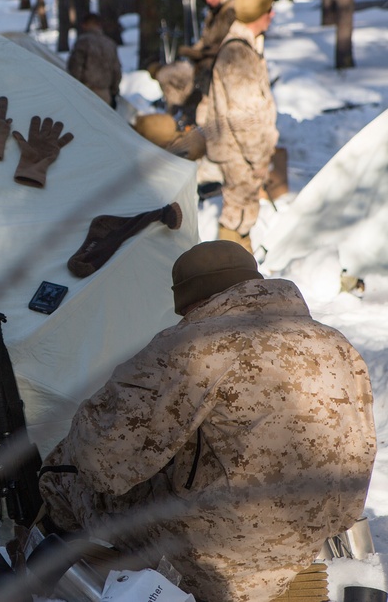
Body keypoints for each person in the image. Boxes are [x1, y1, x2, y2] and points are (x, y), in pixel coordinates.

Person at [37, 240, 376, 602]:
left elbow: (103, 463)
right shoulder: (338, 344)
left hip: (218, 566)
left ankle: (41, 568)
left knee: (64, 473)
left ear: (193, 301)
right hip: (305, 546)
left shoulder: (195, 344)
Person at [196, 0, 280, 251]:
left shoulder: (247, 44)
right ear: (260, 15)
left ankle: (240, 266)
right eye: (269, 11)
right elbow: (244, 116)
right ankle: (232, 274)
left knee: (243, 211)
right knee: (237, 213)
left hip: (241, 149)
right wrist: (258, 158)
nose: (273, 15)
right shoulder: (237, 53)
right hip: (239, 152)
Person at [67, 13, 122, 108]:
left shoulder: (83, 42)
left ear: (85, 24)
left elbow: (75, 67)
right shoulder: (110, 43)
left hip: (85, 93)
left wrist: (73, 89)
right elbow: (116, 70)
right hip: (105, 93)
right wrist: (113, 92)